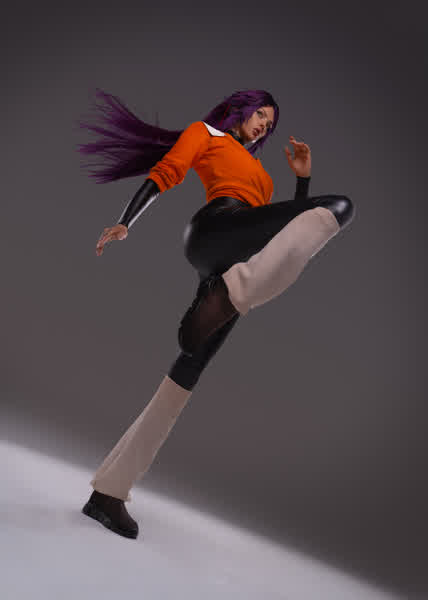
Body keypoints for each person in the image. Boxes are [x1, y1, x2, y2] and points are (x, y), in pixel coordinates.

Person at [77, 89, 355, 539]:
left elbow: (287, 239)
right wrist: (126, 221)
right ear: (238, 110)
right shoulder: (206, 133)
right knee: (340, 207)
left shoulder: (262, 175)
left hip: (239, 258)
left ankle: (108, 494)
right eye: (260, 114)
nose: (264, 125)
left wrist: (302, 181)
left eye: (271, 122)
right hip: (215, 231)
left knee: (188, 370)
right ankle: (229, 292)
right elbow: (168, 171)